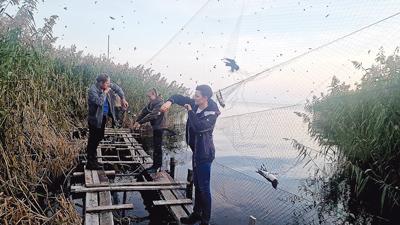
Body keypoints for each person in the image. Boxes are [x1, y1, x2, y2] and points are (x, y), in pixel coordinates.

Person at [160, 85, 220, 225]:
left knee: (204, 188)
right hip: (196, 152)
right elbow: (177, 97)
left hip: (205, 153)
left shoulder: (212, 113)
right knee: (197, 185)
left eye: (197, 96)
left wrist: (190, 111)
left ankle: (205, 220)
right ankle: (196, 214)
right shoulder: (195, 103)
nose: (194, 97)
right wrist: (169, 102)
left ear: (205, 98)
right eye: (194, 95)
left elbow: (199, 127)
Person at [86, 74, 129, 170]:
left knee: (99, 137)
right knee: (93, 139)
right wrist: (105, 92)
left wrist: (123, 98)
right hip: (95, 119)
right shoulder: (92, 90)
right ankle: (90, 162)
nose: (109, 85)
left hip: (103, 117)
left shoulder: (106, 85)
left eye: (109, 83)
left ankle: (93, 160)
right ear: (101, 83)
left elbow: (118, 88)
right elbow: (99, 102)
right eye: (107, 83)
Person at [134, 88, 165, 173]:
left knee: (157, 147)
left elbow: (153, 115)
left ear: (154, 94)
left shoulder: (160, 103)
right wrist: (137, 121)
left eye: (149, 96)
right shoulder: (152, 103)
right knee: (155, 146)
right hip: (155, 127)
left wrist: (140, 122)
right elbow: (144, 112)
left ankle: (157, 167)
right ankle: (155, 165)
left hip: (159, 127)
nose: (149, 98)